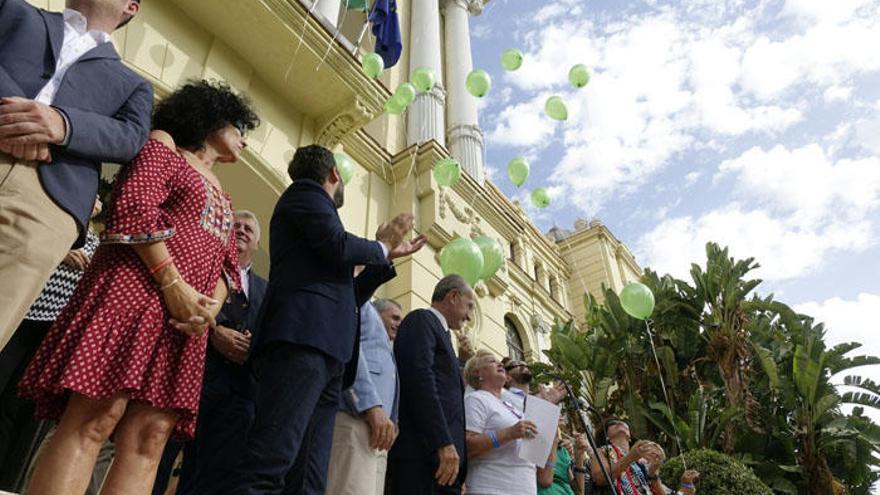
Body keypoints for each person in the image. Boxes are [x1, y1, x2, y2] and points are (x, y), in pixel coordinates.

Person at [17, 79, 259, 495]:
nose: (245, 141)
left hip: (184, 325)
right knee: (95, 418)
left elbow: (228, 266)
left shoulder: (222, 191)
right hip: (135, 295)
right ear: (212, 116)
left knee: (150, 438)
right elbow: (134, 206)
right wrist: (174, 285)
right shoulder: (164, 146)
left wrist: (209, 311)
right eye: (240, 127)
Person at [228, 144, 423, 495]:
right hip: (301, 344)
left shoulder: (317, 231)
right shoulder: (305, 194)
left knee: (308, 479)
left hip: (329, 357)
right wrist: (379, 246)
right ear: (334, 173)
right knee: (271, 461)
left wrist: (384, 257)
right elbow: (339, 243)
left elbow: (348, 297)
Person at [0, 0, 153, 347]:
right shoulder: (13, 9)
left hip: (47, 199)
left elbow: (130, 137)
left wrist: (63, 125)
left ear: (131, 6)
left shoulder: (134, 85)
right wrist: (18, 119)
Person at [151, 209, 268, 495]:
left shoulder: (267, 289)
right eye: (236, 226)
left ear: (256, 244)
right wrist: (214, 331)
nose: (241, 230)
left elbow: (271, 330)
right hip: (190, 377)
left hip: (239, 394)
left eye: (248, 229)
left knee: (214, 474)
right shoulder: (205, 264)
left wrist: (255, 344)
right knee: (159, 454)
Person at [0, 196, 102, 491]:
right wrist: (62, 251)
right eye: (90, 196)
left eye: (97, 199)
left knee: (18, 406)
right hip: (25, 314)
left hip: (53, 330)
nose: (93, 201)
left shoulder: (97, 243)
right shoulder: (59, 224)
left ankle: (7, 478)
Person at [388, 274, 476, 495]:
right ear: (453, 296)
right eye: (469, 306)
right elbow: (420, 381)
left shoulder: (444, 335)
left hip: (445, 466)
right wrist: (443, 442)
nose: (469, 316)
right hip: (423, 457)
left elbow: (447, 394)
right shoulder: (422, 320)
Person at [324, 297, 417, 494]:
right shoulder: (364, 308)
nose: (399, 324)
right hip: (355, 418)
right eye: (394, 318)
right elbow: (351, 357)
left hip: (379, 435)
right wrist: (371, 406)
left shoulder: (388, 348)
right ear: (377, 312)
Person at [462, 350, 539, 495]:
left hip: (526, 487)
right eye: (491, 361)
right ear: (477, 373)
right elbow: (468, 447)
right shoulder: (476, 399)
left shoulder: (510, 406)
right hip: (492, 486)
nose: (499, 363)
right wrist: (508, 433)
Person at [592, 419, 700, 495]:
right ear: (606, 436)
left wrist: (653, 474)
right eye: (612, 423)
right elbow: (600, 478)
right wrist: (630, 457)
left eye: (622, 422)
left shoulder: (641, 461)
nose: (619, 423)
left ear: (629, 437)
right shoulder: (601, 451)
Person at [537, 426, 588, 495]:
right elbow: (545, 480)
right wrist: (553, 442)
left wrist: (579, 457)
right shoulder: (535, 445)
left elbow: (579, 492)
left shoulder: (562, 450)